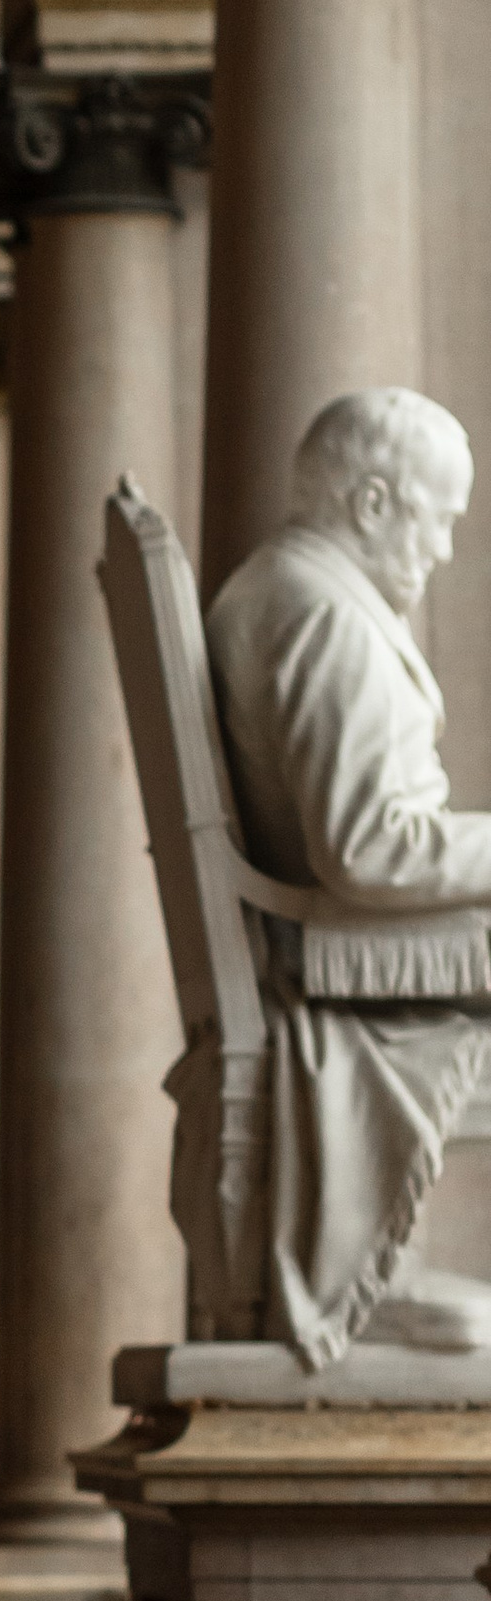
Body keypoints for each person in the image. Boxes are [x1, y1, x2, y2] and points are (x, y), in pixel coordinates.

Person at [205, 387, 491, 1358]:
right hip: (345, 964)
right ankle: (371, 1277)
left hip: (338, 946)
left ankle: (383, 1264)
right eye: (438, 517)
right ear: (372, 504)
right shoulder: (323, 617)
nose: (446, 549)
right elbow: (367, 848)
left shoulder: (288, 589)